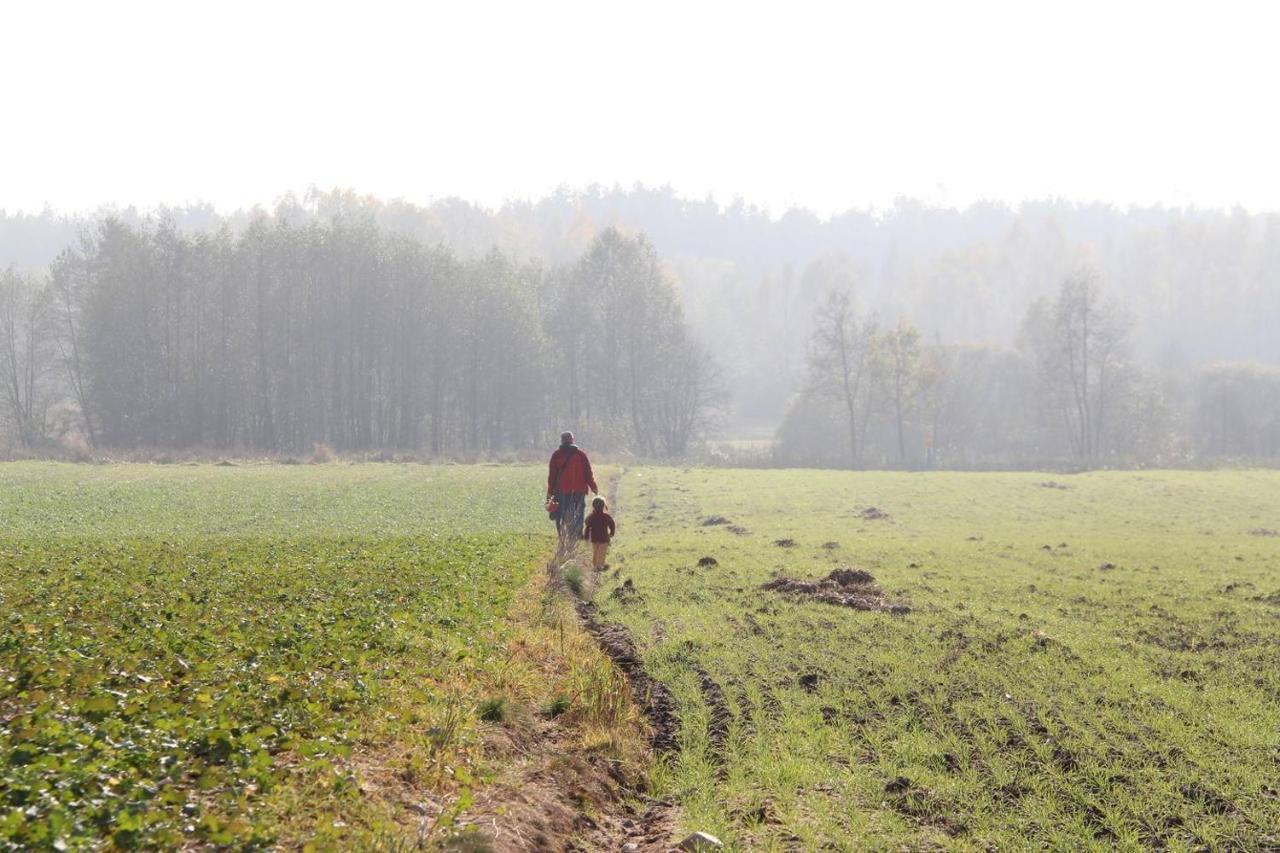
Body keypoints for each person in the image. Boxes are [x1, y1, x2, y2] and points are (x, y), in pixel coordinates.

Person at [547, 431, 597, 541]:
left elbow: (552, 475)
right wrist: (593, 486)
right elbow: (588, 472)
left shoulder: (557, 455)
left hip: (563, 490)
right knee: (579, 511)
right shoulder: (580, 454)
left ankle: (568, 533)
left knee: (565, 511)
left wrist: (550, 491)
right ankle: (578, 534)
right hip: (580, 489)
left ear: (561, 441)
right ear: (572, 440)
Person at [582, 497, 616, 570]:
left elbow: (587, 527)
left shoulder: (591, 517)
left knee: (596, 552)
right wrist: (612, 533)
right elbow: (612, 524)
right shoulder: (606, 516)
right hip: (604, 538)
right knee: (602, 552)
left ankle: (595, 566)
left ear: (593, 506)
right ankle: (600, 565)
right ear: (603, 506)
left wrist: (586, 536)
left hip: (594, 538)